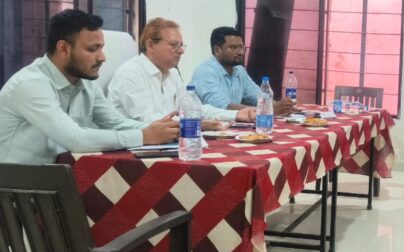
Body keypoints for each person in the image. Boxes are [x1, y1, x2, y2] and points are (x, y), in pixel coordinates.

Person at [0, 10, 179, 165]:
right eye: (93, 50)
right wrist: (144, 135)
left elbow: (117, 123)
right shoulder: (30, 84)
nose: (102, 58)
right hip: (16, 185)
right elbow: (76, 139)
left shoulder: (86, 82)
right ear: (63, 49)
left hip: (60, 175)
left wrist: (163, 130)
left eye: (101, 48)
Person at [108, 18, 255, 126]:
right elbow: (147, 120)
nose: (181, 51)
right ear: (151, 45)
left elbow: (195, 109)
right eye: (174, 45)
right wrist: (196, 123)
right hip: (131, 149)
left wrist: (236, 114)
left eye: (181, 45)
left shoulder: (172, 74)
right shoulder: (131, 73)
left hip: (167, 142)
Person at [190, 27, 293, 115]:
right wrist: (267, 109)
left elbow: (258, 97)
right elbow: (222, 107)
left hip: (232, 125)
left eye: (241, 47)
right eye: (234, 47)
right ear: (217, 50)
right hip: (206, 128)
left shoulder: (239, 70)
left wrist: (280, 106)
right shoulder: (205, 72)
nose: (240, 52)